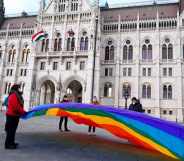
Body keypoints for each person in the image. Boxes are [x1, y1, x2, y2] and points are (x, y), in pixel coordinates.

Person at [5, 84, 26, 149]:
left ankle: (12, 142)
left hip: (15, 115)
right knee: (10, 130)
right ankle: (8, 144)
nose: (20, 89)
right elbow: (16, 106)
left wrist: (22, 111)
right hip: (12, 115)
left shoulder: (16, 95)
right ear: (16, 89)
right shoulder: (14, 95)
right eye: (19, 88)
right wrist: (23, 112)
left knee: (13, 130)